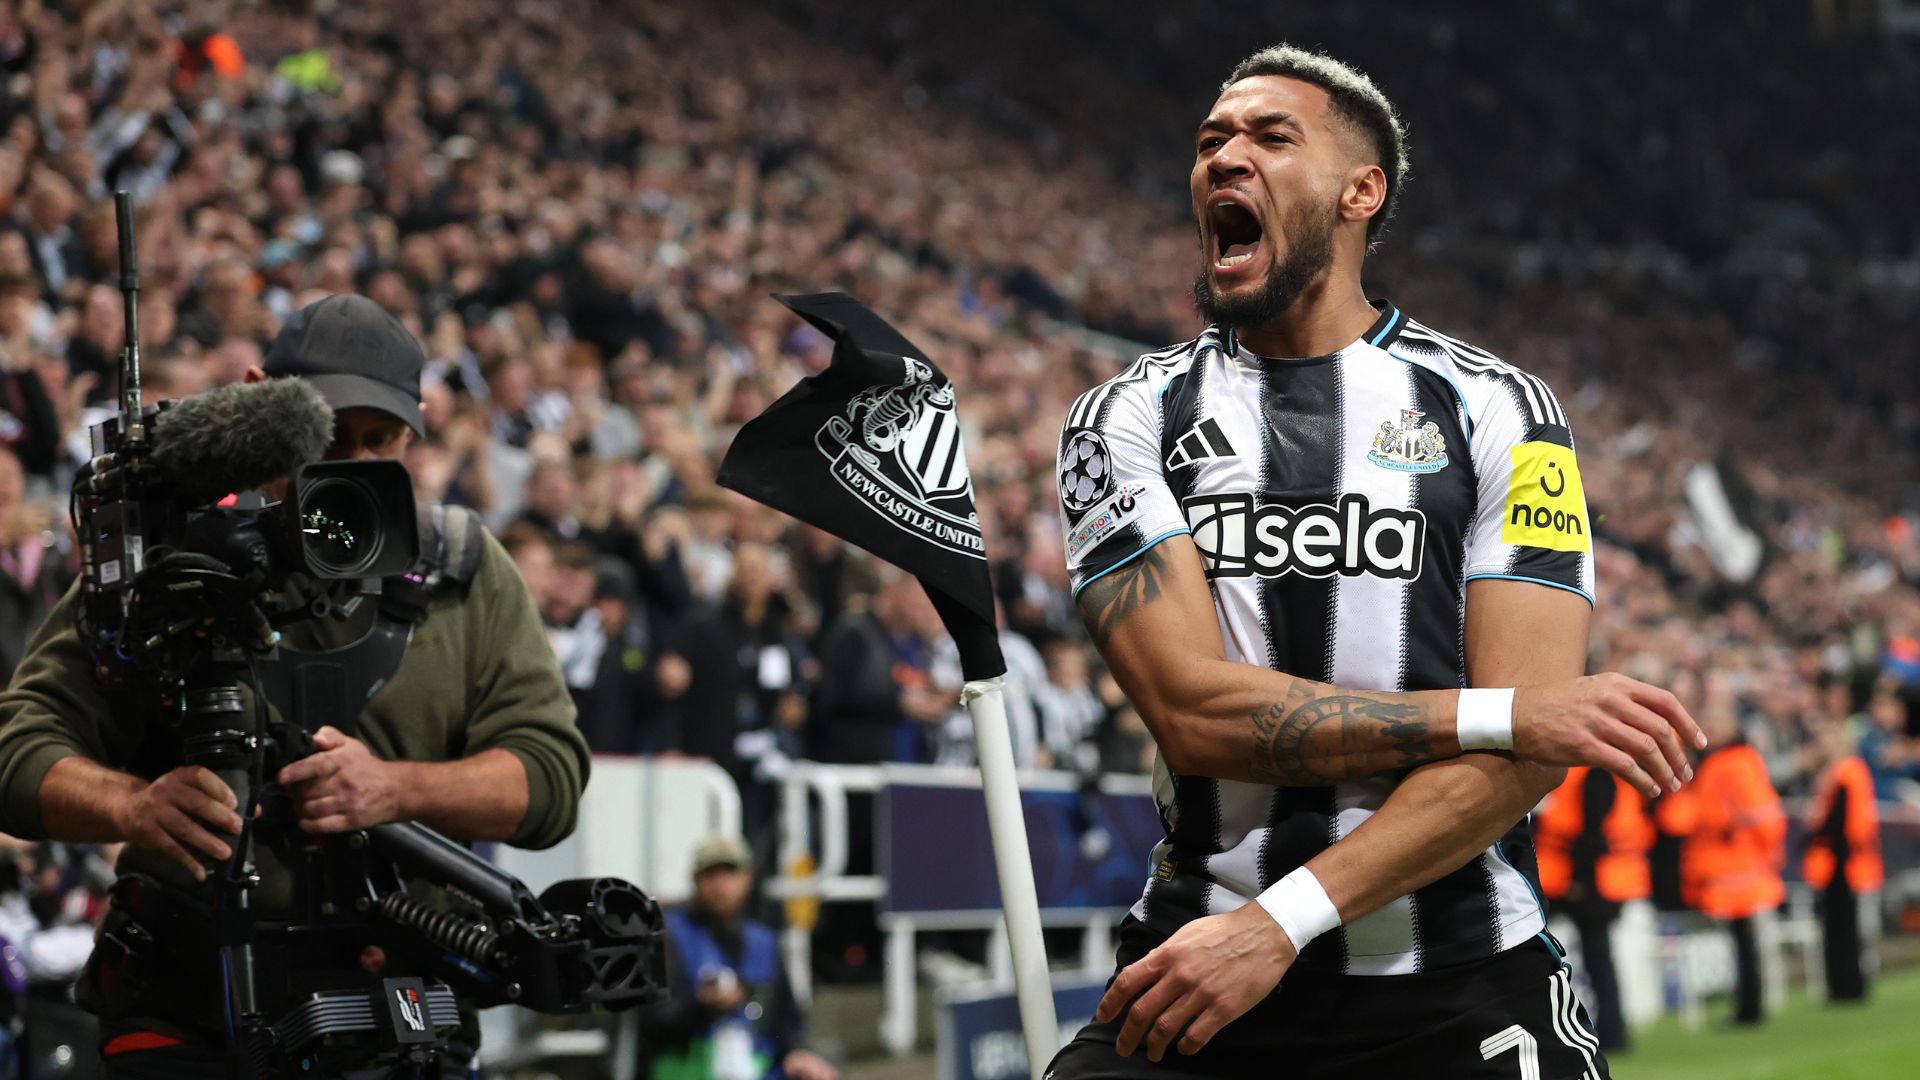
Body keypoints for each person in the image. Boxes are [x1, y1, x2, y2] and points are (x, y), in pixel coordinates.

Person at [1046, 45, 1702, 1080]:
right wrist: (1497, 711)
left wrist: (1277, 924)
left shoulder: (1502, 412)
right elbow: (1193, 711)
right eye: (1211, 140)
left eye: (1269, 137)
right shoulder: (1124, 417)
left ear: (1363, 191)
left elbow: (1524, 755)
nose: (1225, 158)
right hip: (1194, 978)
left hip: (1452, 989)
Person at [0, 294, 589, 1076]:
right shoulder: (175, 560)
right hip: (189, 1017)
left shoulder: (463, 573)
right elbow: (18, 746)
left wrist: (397, 789)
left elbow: (549, 777)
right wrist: (131, 807)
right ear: (259, 408)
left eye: (378, 441)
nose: (346, 466)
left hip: (402, 1019)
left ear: (414, 434)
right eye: (325, 436)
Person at [639, 836, 838, 1080]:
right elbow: (652, 1024)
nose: (720, 884)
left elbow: (788, 1020)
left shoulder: (765, 942)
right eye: (711, 874)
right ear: (695, 879)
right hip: (689, 1068)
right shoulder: (669, 936)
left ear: (747, 878)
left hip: (754, 1067)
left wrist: (799, 1053)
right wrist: (701, 1007)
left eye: (729, 873)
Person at [1678, 701, 1785, 1025]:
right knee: (1742, 943)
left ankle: (1749, 1010)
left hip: (1739, 867)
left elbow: (1757, 813)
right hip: (1735, 865)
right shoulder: (1727, 761)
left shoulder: (1734, 762)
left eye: (1715, 721)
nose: (1709, 728)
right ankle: (1748, 1007)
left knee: (1745, 943)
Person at [1533, 766, 1654, 1051]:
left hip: (1588, 883)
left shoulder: (1593, 773)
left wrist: (1578, 880)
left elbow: (1592, 832)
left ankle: (1612, 1034)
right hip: (1584, 880)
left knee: (1597, 960)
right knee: (1596, 960)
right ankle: (1610, 1033)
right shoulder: (1586, 770)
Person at [1801, 711, 1880, 1003]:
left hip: (1843, 861)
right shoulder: (1838, 772)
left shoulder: (1846, 772)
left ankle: (1847, 986)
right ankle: (1843, 985)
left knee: (1844, 928)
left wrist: (1812, 837)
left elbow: (1839, 821)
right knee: (1839, 928)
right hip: (1838, 860)